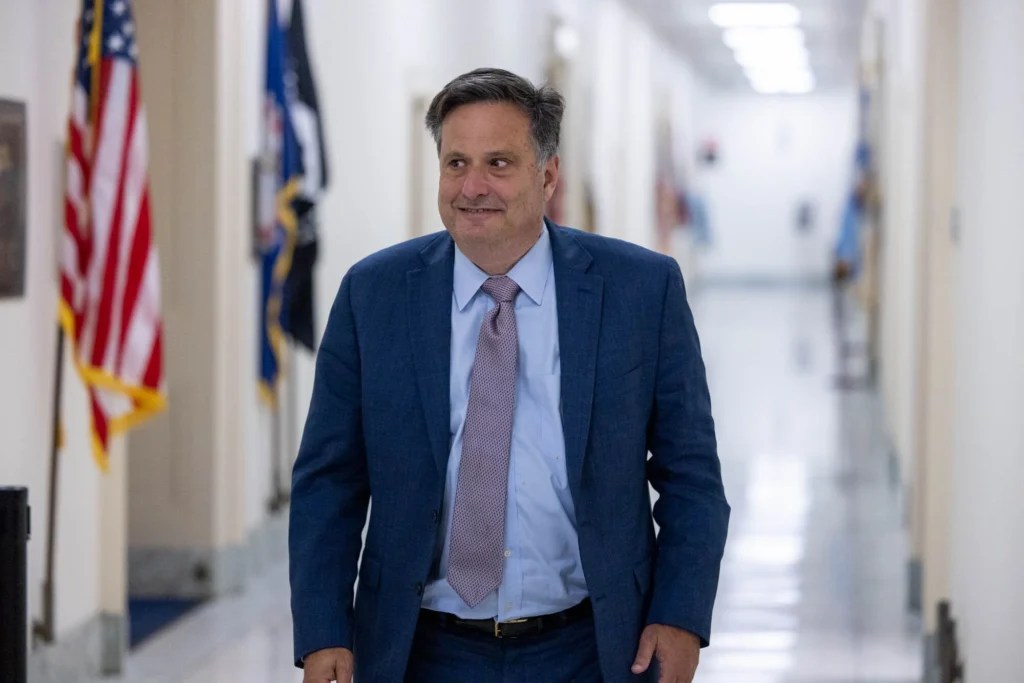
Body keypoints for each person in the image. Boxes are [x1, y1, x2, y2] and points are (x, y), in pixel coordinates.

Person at [289, 67, 729, 683]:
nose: (473, 187)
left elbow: (692, 477)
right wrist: (323, 631)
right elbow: (328, 482)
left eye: (499, 163)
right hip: (417, 650)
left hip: (592, 647)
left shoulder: (640, 290)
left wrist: (680, 616)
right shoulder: (374, 295)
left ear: (547, 176)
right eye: (456, 163)